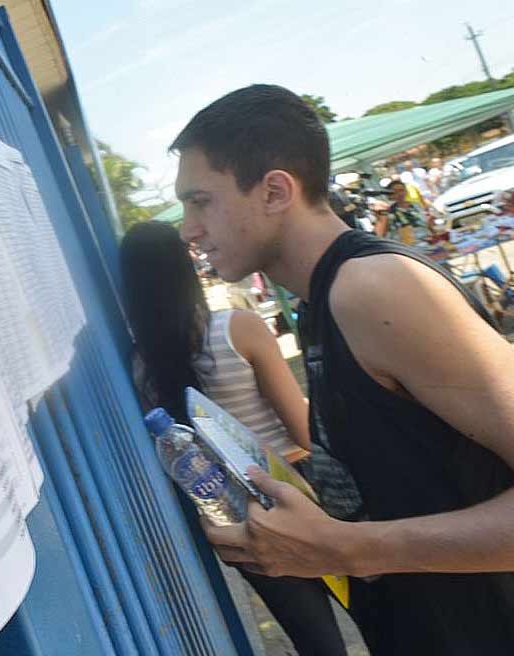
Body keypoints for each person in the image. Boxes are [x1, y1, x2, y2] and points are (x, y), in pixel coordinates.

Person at [171, 84, 514, 655]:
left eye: (200, 200)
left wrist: (346, 549)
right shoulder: (321, 303)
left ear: (276, 191)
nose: (187, 228)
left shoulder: (374, 289)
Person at [121, 221, 346, 656]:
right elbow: (305, 429)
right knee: (382, 614)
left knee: (319, 644)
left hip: (241, 518)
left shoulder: (139, 367)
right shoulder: (237, 329)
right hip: (300, 489)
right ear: (185, 267)